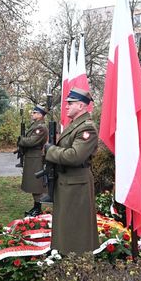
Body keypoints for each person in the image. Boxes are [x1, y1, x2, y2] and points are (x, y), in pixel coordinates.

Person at [44, 87, 99, 254]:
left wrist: (50, 150)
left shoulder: (86, 128)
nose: (66, 106)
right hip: (68, 181)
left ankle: (78, 262)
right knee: (66, 223)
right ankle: (66, 255)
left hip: (77, 183)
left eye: (70, 103)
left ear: (82, 106)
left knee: (77, 226)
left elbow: (75, 156)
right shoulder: (75, 125)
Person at [18, 105, 49, 216]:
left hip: (36, 158)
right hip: (32, 157)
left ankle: (38, 208)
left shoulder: (41, 127)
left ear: (40, 115)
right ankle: (36, 207)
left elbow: (32, 141)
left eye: (34, 112)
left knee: (36, 185)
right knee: (33, 185)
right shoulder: (35, 125)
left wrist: (21, 140)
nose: (32, 114)